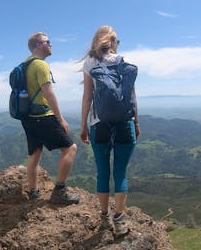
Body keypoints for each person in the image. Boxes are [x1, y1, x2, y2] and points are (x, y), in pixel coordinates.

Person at [80, 26, 140, 237]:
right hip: (125, 123)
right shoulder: (124, 61)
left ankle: (104, 216)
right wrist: (136, 122)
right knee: (121, 172)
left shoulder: (90, 63)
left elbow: (87, 97)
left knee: (103, 171)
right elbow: (132, 96)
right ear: (113, 42)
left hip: (99, 124)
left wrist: (83, 125)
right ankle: (120, 221)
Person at [21, 31, 80, 205]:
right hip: (43, 116)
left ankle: (33, 192)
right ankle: (59, 192)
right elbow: (49, 92)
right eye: (48, 42)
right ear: (39, 45)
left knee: (34, 153)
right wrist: (60, 119)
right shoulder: (40, 65)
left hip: (28, 117)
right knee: (70, 149)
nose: (51, 44)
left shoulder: (25, 64)